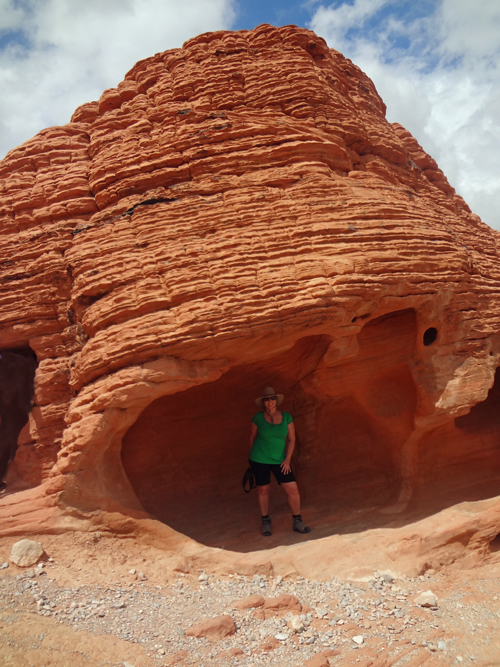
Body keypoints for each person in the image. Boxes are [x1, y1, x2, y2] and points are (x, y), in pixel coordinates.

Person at [249, 386, 310, 537]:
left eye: (272, 398)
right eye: (267, 399)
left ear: (276, 400)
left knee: (293, 489)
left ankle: (297, 520)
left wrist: (287, 459)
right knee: (263, 489)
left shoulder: (287, 417)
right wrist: (251, 459)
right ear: (263, 402)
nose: (270, 401)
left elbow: (292, 439)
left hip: (280, 460)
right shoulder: (257, 418)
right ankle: (266, 521)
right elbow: (252, 437)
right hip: (259, 458)